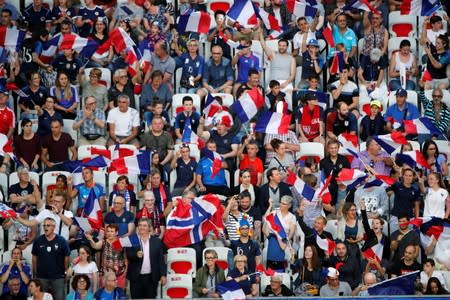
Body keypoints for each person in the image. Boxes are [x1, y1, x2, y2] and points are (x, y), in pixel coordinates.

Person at [126, 218, 166, 299]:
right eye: (140, 225)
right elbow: (128, 254)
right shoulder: (132, 239)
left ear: (150, 228)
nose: (142, 227)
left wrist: (163, 275)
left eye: (144, 226)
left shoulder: (157, 241)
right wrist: (136, 255)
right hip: (136, 278)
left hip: (151, 278)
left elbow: (161, 260)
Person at [31, 218, 70, 300]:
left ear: (54, 227)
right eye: (44, 225)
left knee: (59, 298)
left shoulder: (61, 240)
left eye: (48, 225)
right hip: (42, 277)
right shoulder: (38, 241)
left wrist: (66, 272)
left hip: (58, 277)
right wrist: (35, 273)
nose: (45, 227)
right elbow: (34, 257)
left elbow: (67, 257)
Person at [387, 168, 421, 232]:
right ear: (403, 176)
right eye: (406, 175)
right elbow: (385, 180)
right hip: (396, 217)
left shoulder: (416, 189)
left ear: (413, 177)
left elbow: (417, 205)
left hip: (409, 219)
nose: (408, 177)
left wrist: (417, 220)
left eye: (410, 175)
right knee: (394, 240)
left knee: (408, 240)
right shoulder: (397, 185)